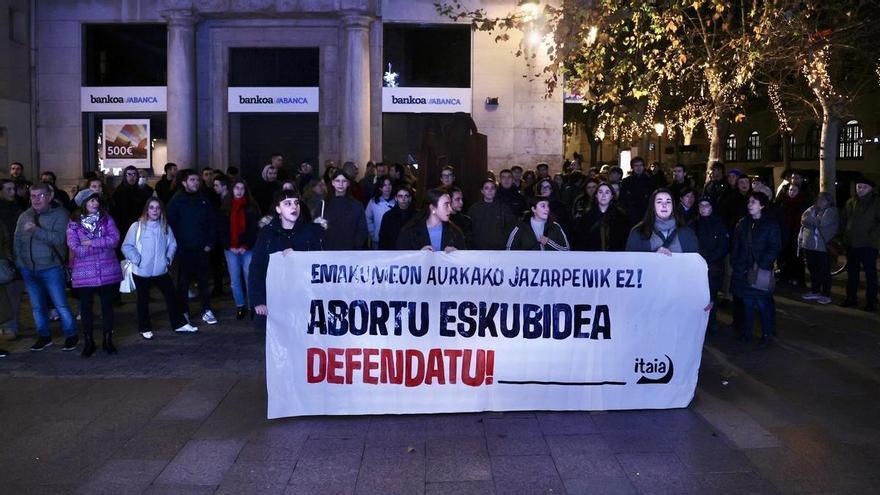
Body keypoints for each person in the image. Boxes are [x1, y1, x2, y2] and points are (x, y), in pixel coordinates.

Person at [14, 182, 77, 351]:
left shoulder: (61, 214)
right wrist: (20, 263)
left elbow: (59, 239)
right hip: (29, 269)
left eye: (40, 195)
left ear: (49, 197)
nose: (36, 199)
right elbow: (17, 240)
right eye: (33, 196)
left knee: (60, 304)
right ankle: (44, 336)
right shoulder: (25, 216)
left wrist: (36, 230)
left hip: (51, 268)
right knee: (36, 306)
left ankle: (71, 335)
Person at [122, 198, 197, 339]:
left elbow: (172, 245)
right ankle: (144, 327)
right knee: (142, 301)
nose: (155, 210)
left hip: (161, 270)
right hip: (141, 271)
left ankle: (179, 324)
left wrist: (167, 259)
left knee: (172, 297)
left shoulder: (165, 227)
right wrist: (137, 259)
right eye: (151, 207)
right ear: (147, 210)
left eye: (157, 208)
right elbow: (127, 246)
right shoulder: (136, 226)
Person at [249, 190, 323, 323]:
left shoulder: (311, 231)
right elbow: (256, 268)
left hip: (304, 298)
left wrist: (298, 255)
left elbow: (320, 262)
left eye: (296, 203)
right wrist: (258, 300)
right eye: (287, 204)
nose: (294, 207)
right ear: (278, 209)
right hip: (275, 300)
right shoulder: (267, 234)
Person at [66, 192, 123, 357]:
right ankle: (89, 341)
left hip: (107, 270)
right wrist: (101, 245)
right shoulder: (74, 223)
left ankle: (107, 339)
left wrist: (91, 242)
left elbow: (114, 240)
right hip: (84, 273)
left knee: (107, 307)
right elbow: (74, 246)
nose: (95, 203)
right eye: (91, 200)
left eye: (96, 200)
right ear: (83, 203)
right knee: (86, 308)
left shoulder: (107, 219)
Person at [166, 169, 219, 326]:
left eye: (197, 180)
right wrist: (175, 247)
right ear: (184, 182)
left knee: (203, 281)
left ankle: (206, 309)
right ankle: (184, 312)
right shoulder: (176, 201)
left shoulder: (204, 199)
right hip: (183, 250)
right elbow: (170, 225)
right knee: (183, 283)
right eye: (192, 180)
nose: (196, 183)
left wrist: (210, 243)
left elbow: (212, 222)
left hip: (202, 249)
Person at [730, 191, 782, 343]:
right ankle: (747, 332)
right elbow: (736, 245)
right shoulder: (743, 223)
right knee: (747, 302)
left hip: (761, 270)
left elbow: (775, 246)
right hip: (744, 269)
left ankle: (767, 333)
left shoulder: (770, 224)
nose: (749, 205)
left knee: (762, 302)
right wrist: (737, 262)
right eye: (749, 202)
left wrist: (762, 264)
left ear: (762, 205)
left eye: (753, 202)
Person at [219, 179, 260, 319]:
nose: (239, 191)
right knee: (235, 279)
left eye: (242, 188)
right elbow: (222, 229)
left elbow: (254, 229)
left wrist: (245, 245)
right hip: (231, 248)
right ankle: (240, 305)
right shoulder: (225, 207)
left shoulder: (251, 207)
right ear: (232, 189)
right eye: (237, 188)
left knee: (249, 277)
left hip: (247, 248)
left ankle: (252, 306)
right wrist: (230, 245)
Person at [841, 177, 880, 311]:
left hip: (869, 244)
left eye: (863, 187)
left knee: (870, 274)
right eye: (858, 186)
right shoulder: (850, 202)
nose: (860, 189)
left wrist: (873, 236)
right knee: (852, 273)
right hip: (852, 244)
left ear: (870, 188)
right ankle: (851, 298)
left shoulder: (876, 202)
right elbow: (844, 221)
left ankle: (871, 301)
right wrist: (844, 237)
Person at [625, 188, 699, 254]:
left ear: (673, 207)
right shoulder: (638, 232)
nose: (664, 205)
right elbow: (631, 263)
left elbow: (694, 263)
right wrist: (653, 258)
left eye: (668, 202)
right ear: (653, 206)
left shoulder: (687, 233)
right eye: (659, 202)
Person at [694, 196, 729, 333]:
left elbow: (723, 245)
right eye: (701, 205)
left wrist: (710, 259)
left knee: (711, 295)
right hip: (697, 267)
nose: (703, 208)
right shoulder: (694, 224)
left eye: (706, 205)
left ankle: (711, 322)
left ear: (712, 207)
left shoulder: (719, 224)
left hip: (714, 266)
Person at [799, 192, 838, 305]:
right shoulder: (812, 209)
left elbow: (822, 223)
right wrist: (814, 221)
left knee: (824, 271)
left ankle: (826, 294)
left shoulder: (831, 211)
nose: (820, 201)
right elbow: (803, 219)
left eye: (824, 200)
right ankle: (815, 290)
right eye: (819, 199)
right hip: (809, 245)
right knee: (813, 270)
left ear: (829, 201)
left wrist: (812, 221)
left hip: (822, 247)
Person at [396, 188, 465, 251]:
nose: (450, 209)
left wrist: (456, 254)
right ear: (432, 208)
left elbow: (465, 259)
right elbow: (401, 259)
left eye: (450, 204)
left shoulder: (455, 232)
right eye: (446, 205)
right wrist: (418, 256)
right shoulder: (409, 232)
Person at [572, 183, 630, 251]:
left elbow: (624, 240)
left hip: (615, 256)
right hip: (592, 256)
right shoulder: (587, 217)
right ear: (596, 195)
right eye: (600, 192)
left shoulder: (621, 217)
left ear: (611, 196)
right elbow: (580, 240)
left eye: (607, 192)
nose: (603, 195)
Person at [0, 179, 23, 341]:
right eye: (8, 189)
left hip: (14, 256)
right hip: (4, 255)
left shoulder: (18, 208)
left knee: (13, 293)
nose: (12, 192)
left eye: (13, 189)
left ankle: (10, 326)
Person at [321, 170, 367, 250]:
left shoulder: (357, 206)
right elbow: (317, 229)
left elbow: (362, 230)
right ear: (333, 183)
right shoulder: (323, 205)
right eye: (337, 181)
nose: (341, 184)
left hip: (351, 252)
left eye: (344, 181)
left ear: (348, 183)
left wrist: (355, 247)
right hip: (329, 251)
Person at [776, 181, 810, 287]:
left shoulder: (802, 204)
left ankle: (798, 280)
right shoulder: (783, 203)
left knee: (797, 259)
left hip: (797, 236)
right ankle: (785, 278)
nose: (792, 192)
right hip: (785, 235)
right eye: (790, 190)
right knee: (784, 258)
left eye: (794, 190)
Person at [467, 179, 516, 250]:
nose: (490, 191)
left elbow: (511, 227)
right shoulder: (474, 209)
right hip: (479, 249)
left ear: (495, 190)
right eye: (486, 188)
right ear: (482, 191)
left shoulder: (503, 208)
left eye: (492, 188)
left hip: (499, 249)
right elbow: (469, 229)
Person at [111, 165, 154, 234]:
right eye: (129, 174)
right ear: (125, 176)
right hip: (123, 227)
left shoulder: (141, 192)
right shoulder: (118, 192)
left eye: (134, 174)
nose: (132, 177)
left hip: (139, 225)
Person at [619, 156, 655, 225]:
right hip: (631, 216)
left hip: (645, 214)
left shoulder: (650, 181)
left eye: (641, 165)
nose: (639, 168)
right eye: (636, 166)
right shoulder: (626, 182)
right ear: (632, 167)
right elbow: (623, 199)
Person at [378, 185, 416, 249]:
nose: (403, 199)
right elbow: (383, 238)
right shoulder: (388, 216)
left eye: (406, 196)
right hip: (392, 252)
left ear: (410, 198)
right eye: (400, 196)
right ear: (396, 198)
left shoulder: (416, 216)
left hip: (411, 252)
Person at [365, 175, 395, 249]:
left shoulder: (396, 201)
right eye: (384, 185)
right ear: (380, 188)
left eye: (389, 184)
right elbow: (367, 218)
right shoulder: (373, 201)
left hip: (393, 240)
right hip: (377, 239)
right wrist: (373, 233)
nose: (387, 187)